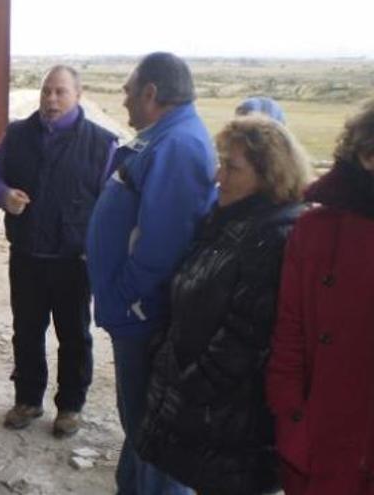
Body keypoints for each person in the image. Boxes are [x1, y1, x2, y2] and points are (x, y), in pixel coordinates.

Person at [135, 116, 311, 495]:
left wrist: (191, 384)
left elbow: (246, 337)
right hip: (208, 412)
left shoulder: (276, 237)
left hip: (233, 423)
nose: (218, 176)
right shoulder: (229, 220)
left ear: (268, 175)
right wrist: (165, 352)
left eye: (232, 168)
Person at [86, 52, 217, 494]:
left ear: (151, 93)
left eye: (127, 91)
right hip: (132, 311)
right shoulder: (161, 137)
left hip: (142, 315)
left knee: (153, 433)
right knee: (139, 424)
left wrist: (124, 296)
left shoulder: (178, 146)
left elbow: (163, 243)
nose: (123, 100)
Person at [0, 65, 117, 437]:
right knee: (26, 331)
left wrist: (101, 252)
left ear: (78, 95)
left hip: (74, 261)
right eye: (46, 92)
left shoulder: (103, 144)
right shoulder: (19, 133)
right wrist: (3, 196)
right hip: (27, 254)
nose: (51, 100)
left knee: (74, 335)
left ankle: (70, 407)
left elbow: (112, 208)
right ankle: (27, 400)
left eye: (60, 92)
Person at [267, 100, 374, 495]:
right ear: (367, 155)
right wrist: (293, 418)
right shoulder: (317, 228)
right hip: (323, 439)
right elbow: (289, 332)